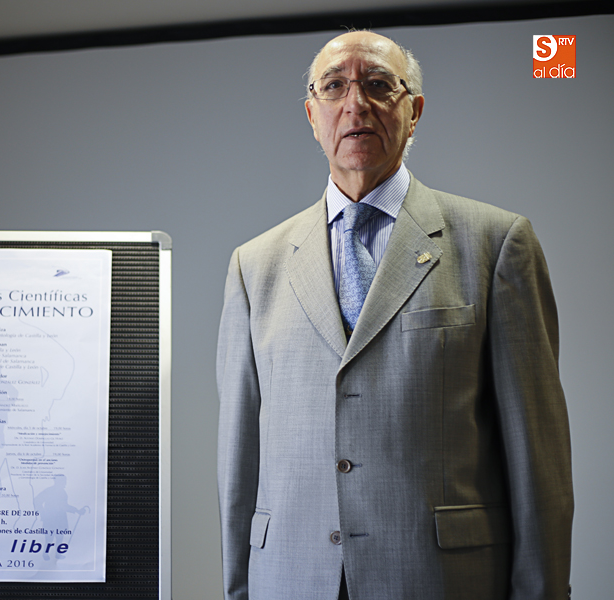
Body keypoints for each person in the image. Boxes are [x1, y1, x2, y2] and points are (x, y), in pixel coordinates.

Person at [216, 30, 573, 600]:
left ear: (414, 112)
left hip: (443, 580)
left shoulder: (496, 243)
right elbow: (239, 459)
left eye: (379, 85)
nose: (355, 103)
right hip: (289, 578)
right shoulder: (254, 265)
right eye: (335, 87)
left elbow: (539, 459)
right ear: (313, 115)